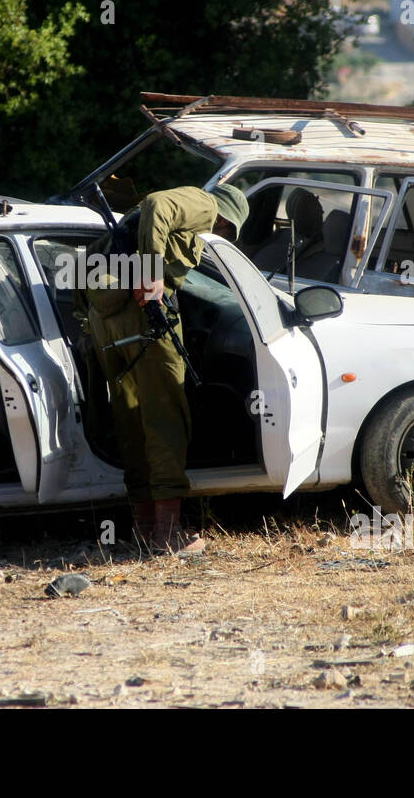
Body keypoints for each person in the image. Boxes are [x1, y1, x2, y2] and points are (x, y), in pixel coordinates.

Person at [79, 184, 248, 553]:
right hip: (144, 317)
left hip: (108, 314)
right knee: (167, 417)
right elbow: (159, 203)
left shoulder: (132, 226)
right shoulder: (204, 203)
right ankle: (166, 533)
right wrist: (152, 274)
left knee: (132, 418)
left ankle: (144, 527)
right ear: (225, 219)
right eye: (223, 230)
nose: (216, 233)